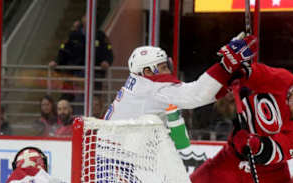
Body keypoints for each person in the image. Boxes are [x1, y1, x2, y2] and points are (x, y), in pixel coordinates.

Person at [104, 32, 257, 121]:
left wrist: (225, 78)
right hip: (120, 161)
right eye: (162, 67)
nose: (168, 72)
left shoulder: (139, 84)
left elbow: (197, 94)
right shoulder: (151, 88)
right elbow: (195, 95)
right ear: (147, 72)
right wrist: (226, 65)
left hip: (117, 156)